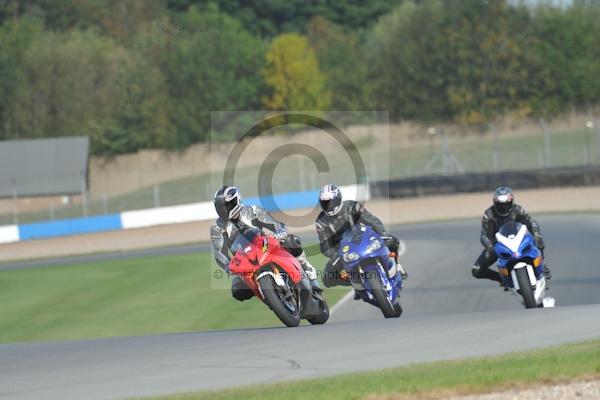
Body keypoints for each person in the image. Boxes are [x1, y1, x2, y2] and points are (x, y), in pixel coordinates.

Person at [210, 186, 321, 301]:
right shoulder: (217, 228)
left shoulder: (252, 211)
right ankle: (270, 298)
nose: (224, 210)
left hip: (265, 246)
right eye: (220, 207)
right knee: (238, 289)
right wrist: (229, 266)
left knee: (291, 241)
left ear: (237, 200)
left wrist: (280, 232)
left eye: (227, 205)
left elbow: (274, 223)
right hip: (244, 261)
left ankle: (310, 276)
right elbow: (219, 253)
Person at [315, 184, 407, 289]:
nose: (329, 206)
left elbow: (372, 220)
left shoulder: (353, 207)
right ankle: (353, 281)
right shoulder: (321, 222)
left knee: (392, 241)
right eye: (325, 203)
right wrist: (335, 255)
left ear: (338, 198)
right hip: (343, 252)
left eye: (331, 202)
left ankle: (397, 266)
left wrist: (383, 234)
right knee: (327, 278)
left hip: (363, 240)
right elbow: (324, 245)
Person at [471, 186, 552, 285]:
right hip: (499, 246)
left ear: (511, 201)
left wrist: (537, 234)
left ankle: (542, 266)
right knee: (477, 270)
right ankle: (502, 279)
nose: (503, 207)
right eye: (500, 204)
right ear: (495, 203)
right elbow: (484, 235)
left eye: (506, 204)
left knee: (538, 242)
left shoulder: (518, 209)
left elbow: (531, 223)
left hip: (519, 240)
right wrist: (490, 247)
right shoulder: (489, 214)